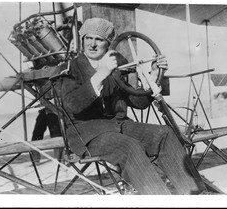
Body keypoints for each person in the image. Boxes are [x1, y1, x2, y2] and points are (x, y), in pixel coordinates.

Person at [57, 17, 208, 195]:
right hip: (87, 134)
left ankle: (195, 194)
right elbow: (73, 105)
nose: (92, 44)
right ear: (82, 39)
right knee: (129, 146)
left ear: (108, 44)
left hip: (120, 125)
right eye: (88, 38)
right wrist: (101, 73)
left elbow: (138, 102)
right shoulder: (70, 68)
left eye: (99, 39)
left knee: (165, 134)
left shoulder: (114, 67)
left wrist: (153, 75)